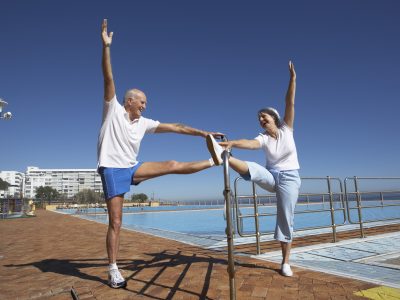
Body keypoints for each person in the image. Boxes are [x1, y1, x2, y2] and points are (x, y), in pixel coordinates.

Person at [99, 19, 222, 288]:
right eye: (142, 101)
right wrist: (106, 47)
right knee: (116, 222)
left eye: (145, 103)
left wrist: (204, 134)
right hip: (111, 168)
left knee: (171, 164)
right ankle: (112, 268)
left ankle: (214, 160)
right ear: (129, 101)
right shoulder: (113, 110)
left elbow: (175, 126)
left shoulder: (144, 123)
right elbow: (108, 77)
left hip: (132, 166)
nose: (145, 105)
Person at [207, 61, 300, 277]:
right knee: (256, 168)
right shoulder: (263, 138)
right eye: (259, 118)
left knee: (286, 217)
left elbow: (290, 103)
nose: (260, 120)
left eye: (263, 117)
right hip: (272, 176)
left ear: (274, 118)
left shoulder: (287, 129)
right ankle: (224, 157)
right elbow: (250, 143)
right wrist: (231, 144)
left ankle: (285, 262)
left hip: (290, 178)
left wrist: (293, 79)